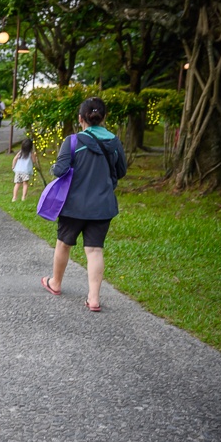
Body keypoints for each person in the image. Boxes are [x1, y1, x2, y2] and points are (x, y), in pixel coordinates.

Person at [40, 96, 127, 312]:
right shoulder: (114, 142)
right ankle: (94, 299)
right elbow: (122, 171)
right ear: (104, 117)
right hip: (103, 205)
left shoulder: (73, 141)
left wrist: (57, 167)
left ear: (81, 119)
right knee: (95, 250)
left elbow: (60, 170)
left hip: (73, 206)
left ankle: (55, 283)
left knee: (64, 244)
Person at [11, 137, 37, 202]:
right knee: (25, 184)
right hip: (26, 171)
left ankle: (14, 197)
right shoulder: (31, 153)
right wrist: (35, 156)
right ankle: (23, 197)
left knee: (17, 184)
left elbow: (15, 159)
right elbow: (34, 161)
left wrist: (13, 166)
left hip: (18, 171)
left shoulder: (20, 152)